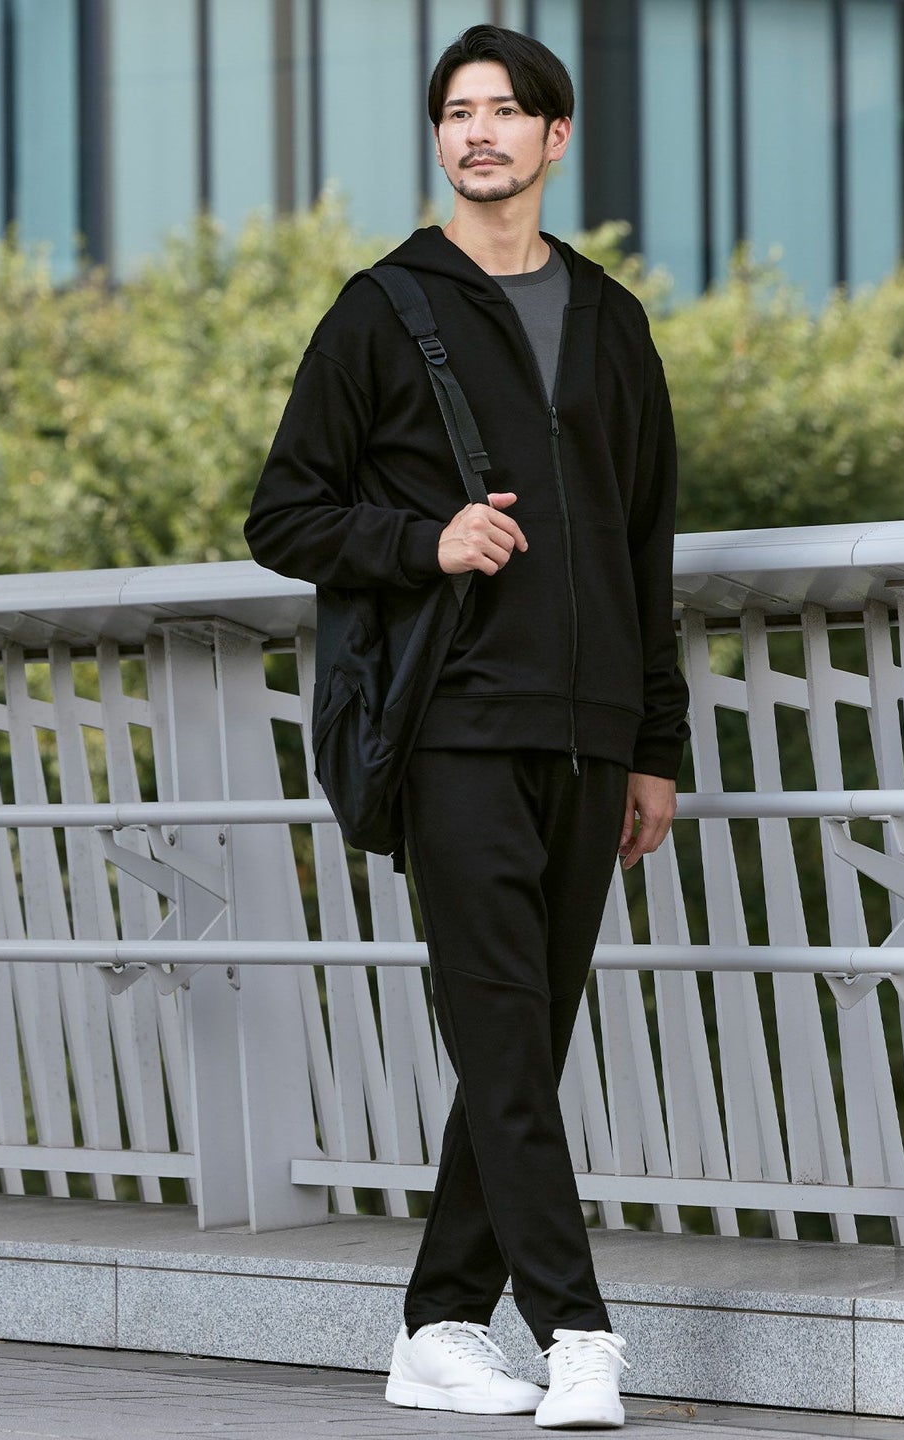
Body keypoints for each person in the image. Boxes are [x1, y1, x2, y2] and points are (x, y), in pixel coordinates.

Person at [246, 23, 689, 1431]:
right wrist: (421, 541)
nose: (477, 132)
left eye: (504, 111)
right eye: (456, 112)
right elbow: (284, 515)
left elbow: (642, 547)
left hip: (590, 728)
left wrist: (655, 745)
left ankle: (439, 1325)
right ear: (440, 139)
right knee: (503, 1028)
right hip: (453, 724)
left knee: (522, 1043)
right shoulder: (383, 309)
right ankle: (577, 1332)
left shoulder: (611, 320)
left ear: (556, 137)